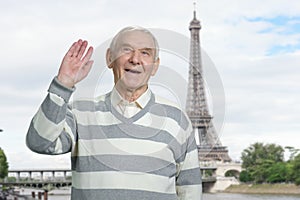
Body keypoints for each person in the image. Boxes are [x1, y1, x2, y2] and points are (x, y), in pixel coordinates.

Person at [26, 26, 202, 200]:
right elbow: (39, 143)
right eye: (127, 50)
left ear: (155, 66)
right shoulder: (80, 112)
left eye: (145, 53)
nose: (135, 59)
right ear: (110, 58)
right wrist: (63, 84)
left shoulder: (177, 119)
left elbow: (190, 191)